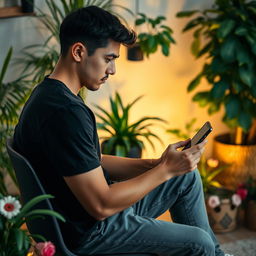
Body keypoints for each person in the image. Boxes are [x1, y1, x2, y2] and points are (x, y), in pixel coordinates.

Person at [13, 6, 229, 256]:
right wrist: (165, 170)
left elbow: (91, 163)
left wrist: (155, 163)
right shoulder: (65, 113)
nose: (112, 71)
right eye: (108, 59)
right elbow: (102, 205)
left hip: (88, 220)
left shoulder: (48, 94)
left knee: (185, 177)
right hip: (91, 232)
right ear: (79, 52)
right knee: (197, 242)